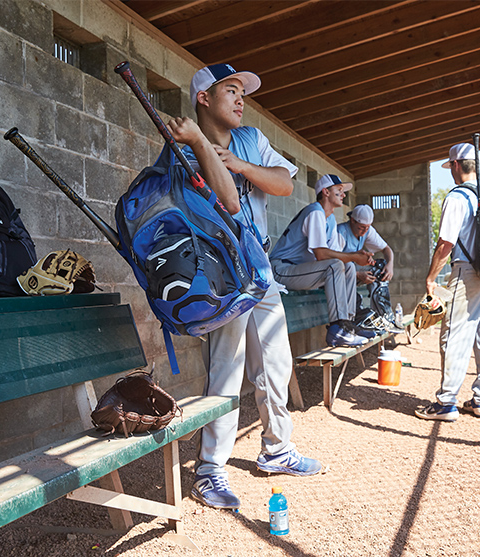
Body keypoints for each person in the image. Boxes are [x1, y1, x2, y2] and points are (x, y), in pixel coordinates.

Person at [171, 63, 322, 510]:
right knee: (227, 368)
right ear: (204, 98)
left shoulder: (251, 139)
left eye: (243, 92)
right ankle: (210, 470)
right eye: (231, 91)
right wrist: (200, 146)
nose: (241, 99)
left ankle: (277, 450)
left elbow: (283, 183)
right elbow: (229, 202)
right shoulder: (182, 150)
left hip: (261, 269)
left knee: (276, 361)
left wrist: (238, 162)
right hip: (221, 276)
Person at [415, 142, 480, 422]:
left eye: (450, 166)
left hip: (467, 272)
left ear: (456, 165)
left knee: (454, 335)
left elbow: (446, 244)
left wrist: (431, 278)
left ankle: (446, 403)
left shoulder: (457, 196)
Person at [269, 174, 376, 347]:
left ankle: (349, 325)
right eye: (339, 191)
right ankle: (338, 329)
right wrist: (354, 255)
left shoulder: (330, 218)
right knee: (336, 265)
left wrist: (356, 260)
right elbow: (321, 254)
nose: (343, 195)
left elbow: (336, 255)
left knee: (347, 266)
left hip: (302, 271)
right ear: (325, 192)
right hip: (281, 270)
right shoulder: (315, 211)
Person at [337, 204, 395, 286]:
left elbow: (386, 248)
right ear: (353, 220)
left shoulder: (367, 230)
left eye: (368, 227)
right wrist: (357, 274)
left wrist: (390, 264)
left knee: (380, 268)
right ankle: (353, 297)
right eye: (362, 227)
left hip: (352, 270)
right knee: (349, 265)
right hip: (338, 273)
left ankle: (379, 299)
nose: (365, 230)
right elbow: (333, 263)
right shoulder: (341, 232)